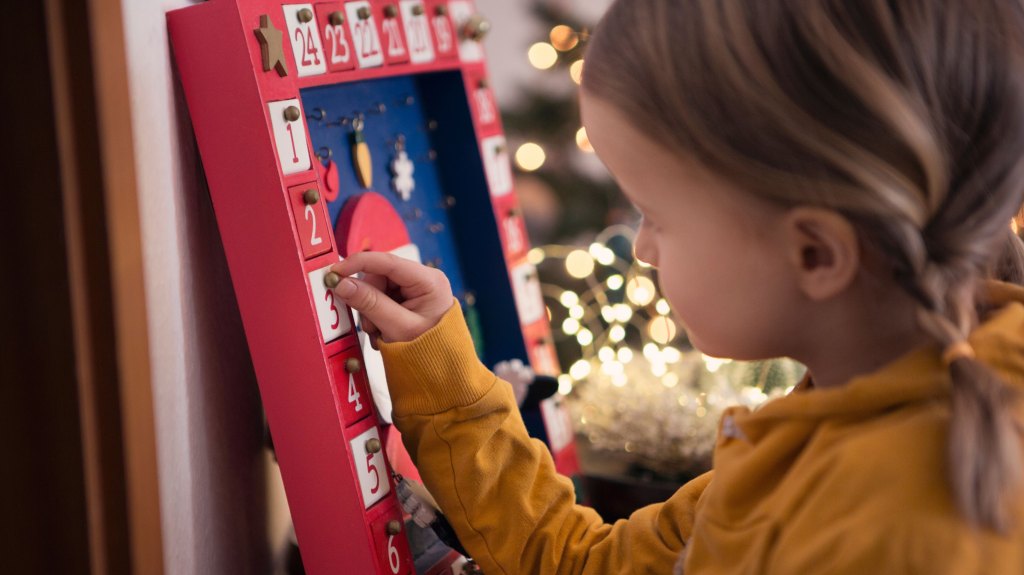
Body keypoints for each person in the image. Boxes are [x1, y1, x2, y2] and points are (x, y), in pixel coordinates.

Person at [329, 0, 1024, 572]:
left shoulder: (902, 524)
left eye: (656, 214)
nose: (642, 248)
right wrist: (440, 374)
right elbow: (582, 562)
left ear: (815, 252)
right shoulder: (820, 427)